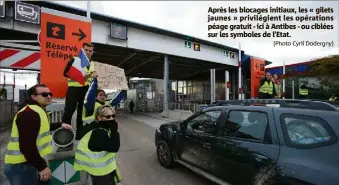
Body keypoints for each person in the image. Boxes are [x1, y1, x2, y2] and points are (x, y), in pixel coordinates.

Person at [3, 84, 72, 185]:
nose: (48, 96)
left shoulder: (36, 110)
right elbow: (27, 145)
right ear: (33, 96)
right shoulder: (29, 113)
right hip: (22, 166)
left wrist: (60, 124)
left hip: (30, 163)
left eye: (50, 94)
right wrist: (42, 167)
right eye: (44, 94)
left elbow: (42, 127)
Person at [74, 105, 122, 185]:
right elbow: (114, 147)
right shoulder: (98, 132)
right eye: (108, 116)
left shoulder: (92, 126)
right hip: (101, 172)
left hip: (93, 169)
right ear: (99, 118)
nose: (111, 119)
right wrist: (114, 131)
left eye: (113, 116)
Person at [62, 42, 97, 140]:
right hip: (74, 88)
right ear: (82, 50)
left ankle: (80, 135)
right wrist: (81, 76)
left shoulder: (93, 64)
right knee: (70, 110)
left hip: (86, 90)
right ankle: (65, 136)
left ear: (93, 52)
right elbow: (65, 73)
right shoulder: (75, 60)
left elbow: (93, 77)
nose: (88, 52)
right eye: (86, 50)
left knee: (82, 113)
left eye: (90, 51)